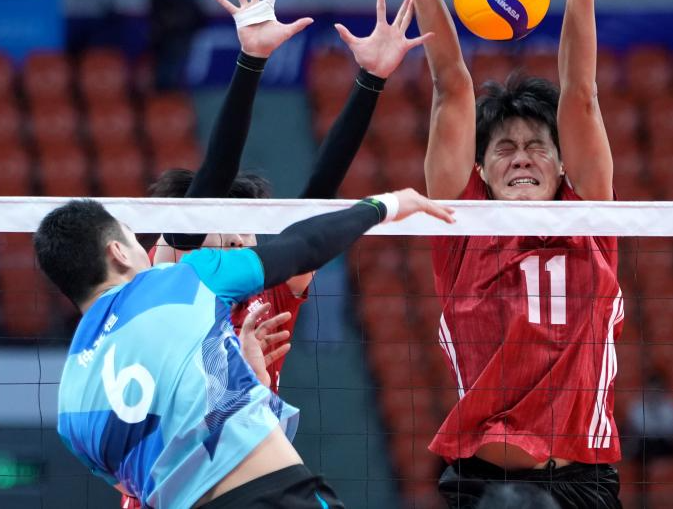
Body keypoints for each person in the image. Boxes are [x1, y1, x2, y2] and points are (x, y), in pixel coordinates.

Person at [363, 0, 622, 508]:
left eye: (537, 147)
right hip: (484, 486)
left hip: (583, 484)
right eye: (504, 148)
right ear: (480, 169)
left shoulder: (592, 216)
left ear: (563, 166)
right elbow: (451, 86)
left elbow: (581, 94)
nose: (522, 158)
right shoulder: (459, 220)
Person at [39, 191, 454, 509]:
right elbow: (304, 246)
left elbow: (155, 479)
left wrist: (247, 382)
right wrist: (385, 205)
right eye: (132, 239)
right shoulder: (178, 280)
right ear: (117, 252)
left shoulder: (69, 410)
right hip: (275, 495)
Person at [148, 0, 428, 392]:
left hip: (260, 430)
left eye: (245, 229)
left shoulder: (272, 286)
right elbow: (211, 185)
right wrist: (251, 60)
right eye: (222, 228)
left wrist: (372, 78)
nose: (238, 239)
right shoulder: (175, 272)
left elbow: (317, 200)